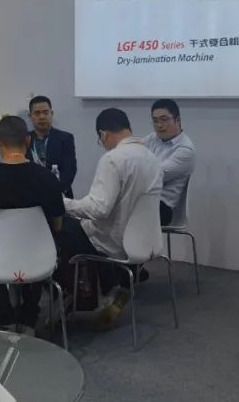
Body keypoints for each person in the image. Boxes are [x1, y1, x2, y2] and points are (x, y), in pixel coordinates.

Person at [62, 108, 163, 329]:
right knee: (80, 227)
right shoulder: (151, 157)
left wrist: (64, 204)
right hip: (145, 240)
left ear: (103, 134)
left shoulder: (113, 159)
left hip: (115, 241)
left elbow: (99, 209)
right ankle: (112, 286)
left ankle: (82, 296)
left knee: (63, 228)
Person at [0, 116, 64, 334]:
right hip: (39, 257)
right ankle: (29, 317)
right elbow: (58, 225)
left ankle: (4, 319)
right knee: (41, 246)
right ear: (28, 141)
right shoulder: (47, 178)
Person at [143, 99, 195, 226]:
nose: (159, 125)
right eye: (155, 121)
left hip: (163, 207)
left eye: (164, 120)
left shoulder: (185, 150)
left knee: (118, 211)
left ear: (178, 120)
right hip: (144, 199)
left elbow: (155, 176)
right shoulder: (153, 138)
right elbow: (131, 156)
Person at [26, 95, 78, 198]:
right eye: (37, 113)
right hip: (31, 196)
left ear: (52, 113)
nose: (42, 117)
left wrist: (55, 191)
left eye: (46, 112)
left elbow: (69, 170)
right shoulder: (23, 140)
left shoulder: (65, 138)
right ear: (30, 116)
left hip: (59, 194)